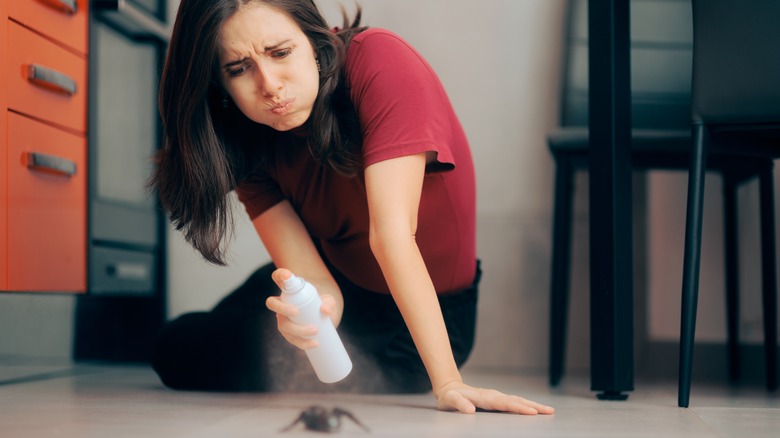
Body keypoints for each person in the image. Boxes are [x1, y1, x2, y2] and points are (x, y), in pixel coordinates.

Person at [149, 0, 554, 416]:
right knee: (178, 343)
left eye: (280, 52)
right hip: (335, 281)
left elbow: (392, 236)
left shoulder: (378, 60)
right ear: (218, 85)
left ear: (313, 37)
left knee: (183, 349)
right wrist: (313, 318)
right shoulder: (245, 140)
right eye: (238, 69)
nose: (268, 85)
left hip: (415, 328)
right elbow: (315, 282)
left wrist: (448, 382)